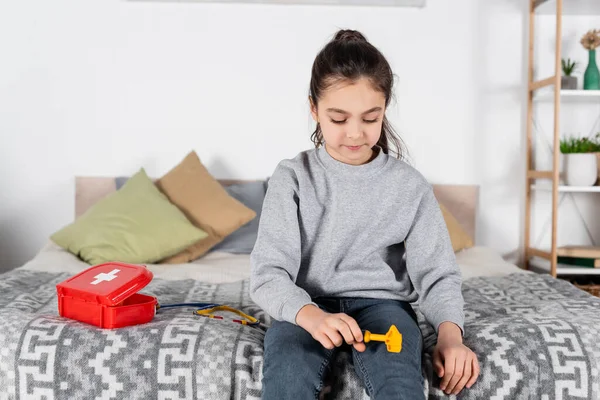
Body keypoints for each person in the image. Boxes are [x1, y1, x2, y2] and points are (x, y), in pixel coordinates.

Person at [250, 29, 479, 400]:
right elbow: (267, 274)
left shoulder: (410, 186)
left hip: (383, 307)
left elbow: (438, 273)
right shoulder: (292, 177)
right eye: (338, 119)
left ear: (384, 109)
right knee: (287, 378)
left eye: (370, 118)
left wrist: (451, 338)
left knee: (400, 385)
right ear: (314, 109)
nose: (355, 134)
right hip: (305, 306)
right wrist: (309, 315)